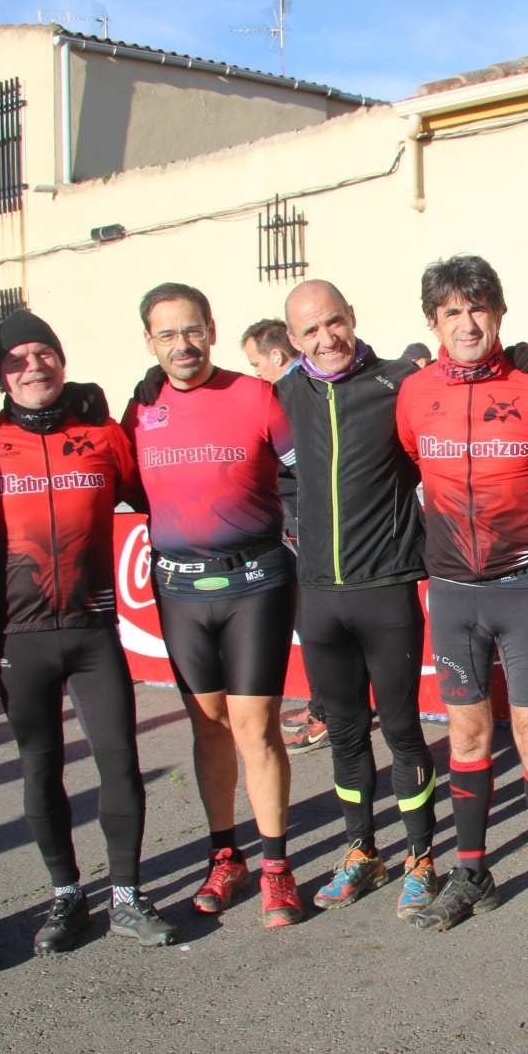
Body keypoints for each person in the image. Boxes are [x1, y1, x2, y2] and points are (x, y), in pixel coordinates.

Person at [395, 254, 528, 934]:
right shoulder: (416, 394)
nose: (467, 322)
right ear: (433, 322)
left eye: (479, 308)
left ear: (500, 314)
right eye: (452, 311)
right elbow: (408, 460)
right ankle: (472, 871)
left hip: (524, 590)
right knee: (469, 736)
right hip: (452, 594)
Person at [0, 308, 175, 953]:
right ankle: (65, 895)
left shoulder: (102, 434)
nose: (34, 367)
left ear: (62, 358)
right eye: (17, 359)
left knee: (119, 760)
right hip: (17, 637)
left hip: (91, 632)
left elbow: (158, 487)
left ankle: (126, 894)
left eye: (45, 353)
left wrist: (153, 405)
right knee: (40, 767)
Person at [123, 283, 305, 929]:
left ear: (212, 329)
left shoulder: (255, 395)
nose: (182, 344)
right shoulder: (140, 410)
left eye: (192, 330)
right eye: (167, 334)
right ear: (150, 343)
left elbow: (308, 469)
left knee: (255, 727)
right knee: (207, 728)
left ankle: (278, 867)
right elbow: (113, 479)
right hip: (179, 589)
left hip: (254, 583)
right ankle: (225, 856)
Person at [277, 280, 438, 920]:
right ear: (293, 341)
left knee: (401, 731)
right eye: (311, 330)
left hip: (386, 588)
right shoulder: (284, 394)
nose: (327, 338)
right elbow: (276, 470)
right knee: (344, 733)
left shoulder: (400, 383)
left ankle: (421, 857)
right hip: (318, 596)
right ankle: (360, 850)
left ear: (353, 317)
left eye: (335, 322)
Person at [240, 318, 330, 755]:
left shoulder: (290, 394)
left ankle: (326, 714)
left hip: (304, 526)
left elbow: (304, 464)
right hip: (301, 523)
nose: (255, 372)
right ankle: (331, 705)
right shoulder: (304, 386)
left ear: (278, 356)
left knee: (313, 623)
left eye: (256, 363)